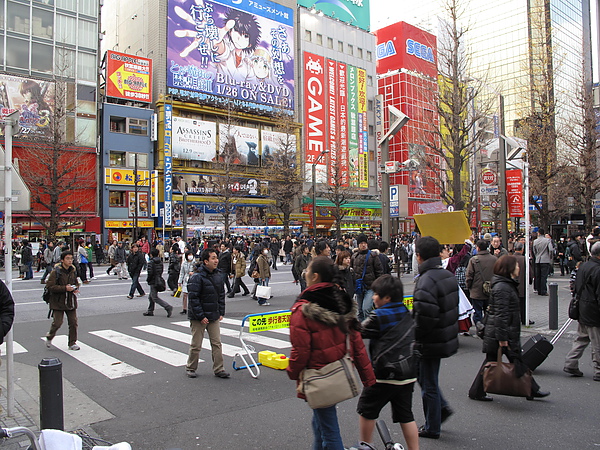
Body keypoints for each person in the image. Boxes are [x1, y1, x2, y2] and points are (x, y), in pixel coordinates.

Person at [287, 256, 376, 450]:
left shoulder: (302, 309)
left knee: (329, 429)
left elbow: (300, 351)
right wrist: (369, 379)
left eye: (307, 270)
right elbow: (357, 343)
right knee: (320, 423)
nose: (305, 274)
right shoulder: (342, 301)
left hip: (319, 377)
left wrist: (292, 371)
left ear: (315, 276)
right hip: (339, 372)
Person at [468, 255, 550, 400]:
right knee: (511, 360)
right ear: (509, 269)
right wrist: (502, 339)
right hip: (502, 332)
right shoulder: (503, 287)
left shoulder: (505, 284)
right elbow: (501, 315)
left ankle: (477, 391)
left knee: (503, 360)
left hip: (502, 331)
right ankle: (531, 389)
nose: (518, 268)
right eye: (516, 266)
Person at [356, 275, 419, 450]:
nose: (374, 297)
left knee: (367, 410)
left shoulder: (380, 315)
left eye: (376, 294)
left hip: (384, 375)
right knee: (406, 415)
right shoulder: (406, 312)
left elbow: (358, 330)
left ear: (387, 298)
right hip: (407, 374)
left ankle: (366, 446)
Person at [412, 236, 459, 439]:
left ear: (419, 256)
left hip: (429, 339)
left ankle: (433, 425)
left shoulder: (426, 280)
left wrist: (416, 338)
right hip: (444, 335)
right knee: (425, 377)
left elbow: (425, 317)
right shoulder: (447, 275)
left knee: (428, 382)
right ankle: (441, 409)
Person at [185, 248, 230, 379]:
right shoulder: (197, 277)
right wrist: (201, 316)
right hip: (198, 317)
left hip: (213, 315)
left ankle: (219, 368)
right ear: (205, 261)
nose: (216, 261)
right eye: (213, 258)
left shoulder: (218, 275)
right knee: (196, 344)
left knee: (216, 343)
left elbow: (221, 295)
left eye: (216, 257)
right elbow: (193, 298)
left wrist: (221, 312)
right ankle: (191, 367)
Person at [563, 241, 600, 381]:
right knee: (597, 341)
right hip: (593, 310)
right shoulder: (598, 270)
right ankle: (598, 369)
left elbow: (576, 286)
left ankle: (570, 362)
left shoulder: (583, 266)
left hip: (582, 307)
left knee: (581, 337)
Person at [45, 251, 81, 351]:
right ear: (62, 260)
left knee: (73, 322)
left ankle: (72, 342)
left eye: (71, 259)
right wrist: (65, 288)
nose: (70, 261)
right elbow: (50, 286)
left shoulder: (73, 270)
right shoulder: (56, 272)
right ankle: (50, 336)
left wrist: (75, 288)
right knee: (57, 322)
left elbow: (76, 282)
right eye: (68, 259)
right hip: (58, 301)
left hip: (70, 301)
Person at [352, 234, 383, 321]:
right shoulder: (354, 256)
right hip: (359, 287)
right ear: (358, 244)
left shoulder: (373, 256)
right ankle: (361, 329)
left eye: (365, 242)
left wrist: (378, 287)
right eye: (361, 243)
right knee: (360, 311)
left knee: (366, 308)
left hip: (371, 287)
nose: (363, 245)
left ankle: (369, 326)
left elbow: (379, 271)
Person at [466, 240, 496, 326]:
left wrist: (469, 286)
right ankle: (488, 328)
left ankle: (479, 328)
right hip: (490, 290)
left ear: (478, 248)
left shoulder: (474, 260)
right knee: (489, 311)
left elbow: (469, 275)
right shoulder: (494, 259)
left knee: (477, 312)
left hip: (476, 291)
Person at [144, 248, 173, 317]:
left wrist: (148, 279)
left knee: (154, 297)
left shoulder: (151, 262)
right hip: (159, 278)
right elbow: (161, 270)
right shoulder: (160, 261)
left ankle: (167, 307)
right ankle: (150, 310)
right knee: (151, 296)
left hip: (153, 280)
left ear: (151, 254)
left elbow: (150, 272)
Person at [532, 229, 554, 296]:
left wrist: (537, 256)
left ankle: (538, 289)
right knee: (544, 276)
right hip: (545, 259)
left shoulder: (535, 241)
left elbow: (534, 250)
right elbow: (551, 250)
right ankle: (543, 290)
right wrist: (550, 257)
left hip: (538, 259)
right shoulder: (547, 240)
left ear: (538, 233)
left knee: (538, 275)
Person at [178, 250, 197, 314]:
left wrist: (193, 273)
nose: (190, 256)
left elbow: (199, 271)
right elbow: (182, 272)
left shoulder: (195, 263)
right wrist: (180, 281)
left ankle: (192, 308)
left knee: (192, 295)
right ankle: (184, 308)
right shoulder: (184, 263)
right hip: (186, 279)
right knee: (185, 294)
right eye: (189, 255)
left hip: (194, 279)